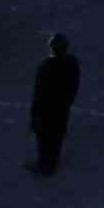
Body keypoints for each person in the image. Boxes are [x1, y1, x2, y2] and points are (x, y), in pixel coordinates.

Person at [27, 34, 80, 175]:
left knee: (44, 135)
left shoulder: (46, 67)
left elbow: (39, 92)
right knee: (57, 134)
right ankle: (51, 162)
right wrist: (67, 101)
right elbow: (74, 86)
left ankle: (44, 164)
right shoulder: (72, 63)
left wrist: (34, 113)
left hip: (47, 108)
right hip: (61, 107)